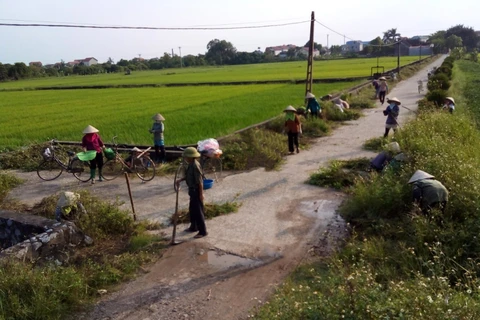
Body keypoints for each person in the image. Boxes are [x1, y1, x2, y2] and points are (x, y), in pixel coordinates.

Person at [175, 147, 207, 238]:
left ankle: (203, 231)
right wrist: (180, 180)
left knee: (198, 212)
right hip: (192, 191)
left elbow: (199, 181)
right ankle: (194, 227)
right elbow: (189, 176)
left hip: (196, 191)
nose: (185, 158)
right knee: (192, 210)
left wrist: (201, 194)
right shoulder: (190, 164)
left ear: (190, 157)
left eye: (186, 157)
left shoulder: (195, 166)